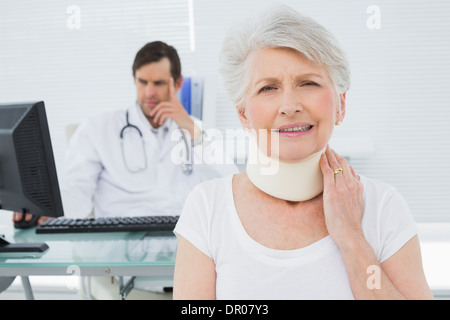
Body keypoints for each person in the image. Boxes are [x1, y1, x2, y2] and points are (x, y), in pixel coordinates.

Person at [173, 6, 433, 299]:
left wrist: (351, 237)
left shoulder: (383, 208)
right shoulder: (207, 208)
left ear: (341, 105)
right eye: (268, 88)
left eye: (308, 83)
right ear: (243, 115)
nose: (289, 105)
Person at [16, 40, 238, 299]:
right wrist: (42, 210)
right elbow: (76, 192)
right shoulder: (99, 129)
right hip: (125, 261)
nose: (149, 92)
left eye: (158, 83)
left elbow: (231, 187)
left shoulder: (194, 130)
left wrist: (189, 127)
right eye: (142, 82)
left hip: (190, 261)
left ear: (177, 84)